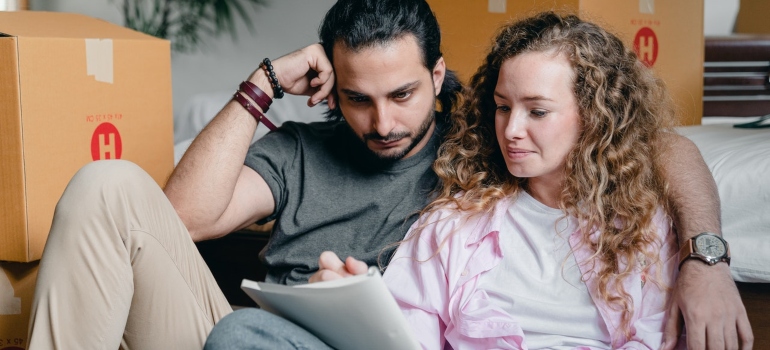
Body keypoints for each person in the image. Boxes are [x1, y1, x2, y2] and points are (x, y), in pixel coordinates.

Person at [27, 0, 749, 349]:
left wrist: (706, 254)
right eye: (358, 98)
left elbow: (657, 145)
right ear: (331, 88)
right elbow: (180, 219)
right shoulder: (304, 151)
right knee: (109, 185)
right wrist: (264, 81)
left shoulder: (487, 135)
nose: (383, 123)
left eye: (402, 95)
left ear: (438, 76)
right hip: (265, 338)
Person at [382, 11, 683, 348]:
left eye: (537, 111)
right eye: (503, 107)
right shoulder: (450, 226)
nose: (511, 131)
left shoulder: (644, 228)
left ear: (595, 116)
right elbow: (403, 334)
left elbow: (660, 337)